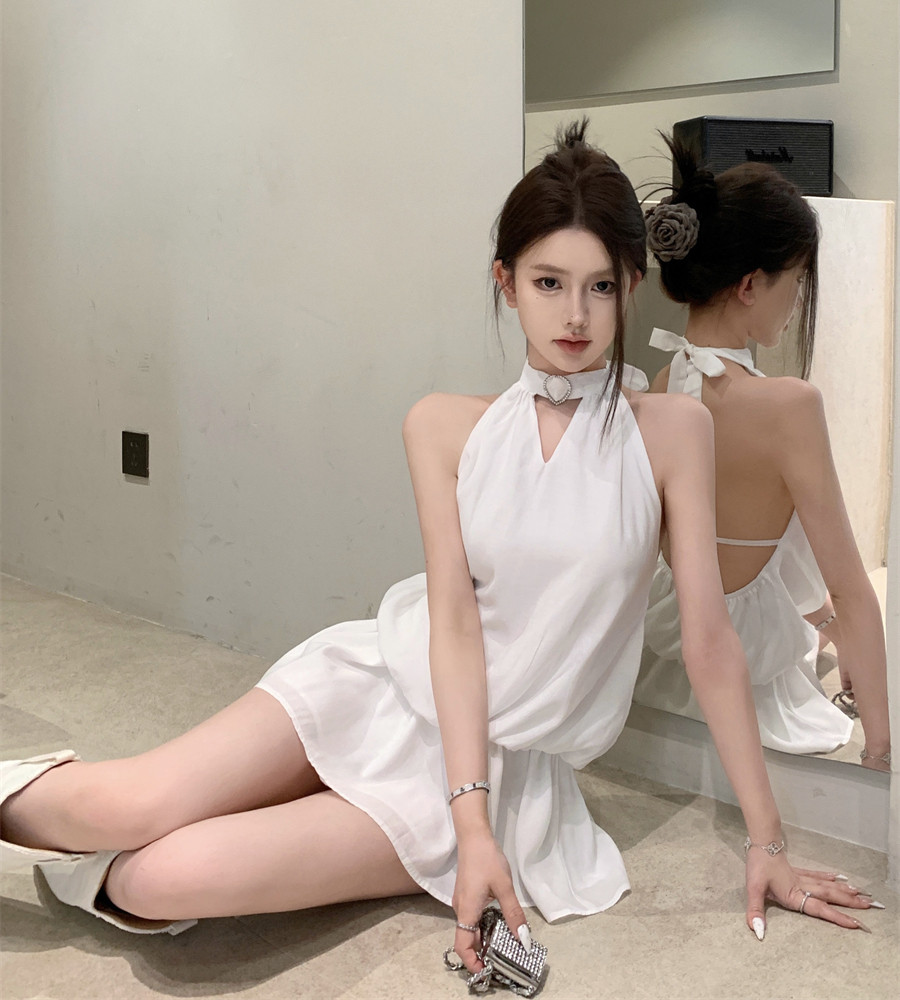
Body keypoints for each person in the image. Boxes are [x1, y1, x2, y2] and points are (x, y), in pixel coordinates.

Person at [0, 123, 878, 971]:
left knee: (158, 877)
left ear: (632, 285)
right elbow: (453, 621)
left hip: (508, 763)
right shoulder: (443, 426)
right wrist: (468, 822)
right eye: (548, 282)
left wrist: (768, 841)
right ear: (507, 283)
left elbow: (709, 643)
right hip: (382, 680)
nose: (575, 314)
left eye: (601, 287)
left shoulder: (673, 430)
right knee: (125, 804)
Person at [635, 137, 891, 767]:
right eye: (797, 281)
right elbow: (851, 587)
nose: (798, 300)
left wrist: (827, 624)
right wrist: (883, 746)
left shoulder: (662, 385)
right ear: (751, 284)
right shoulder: (788, 405)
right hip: (750, 682)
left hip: (664, 668)